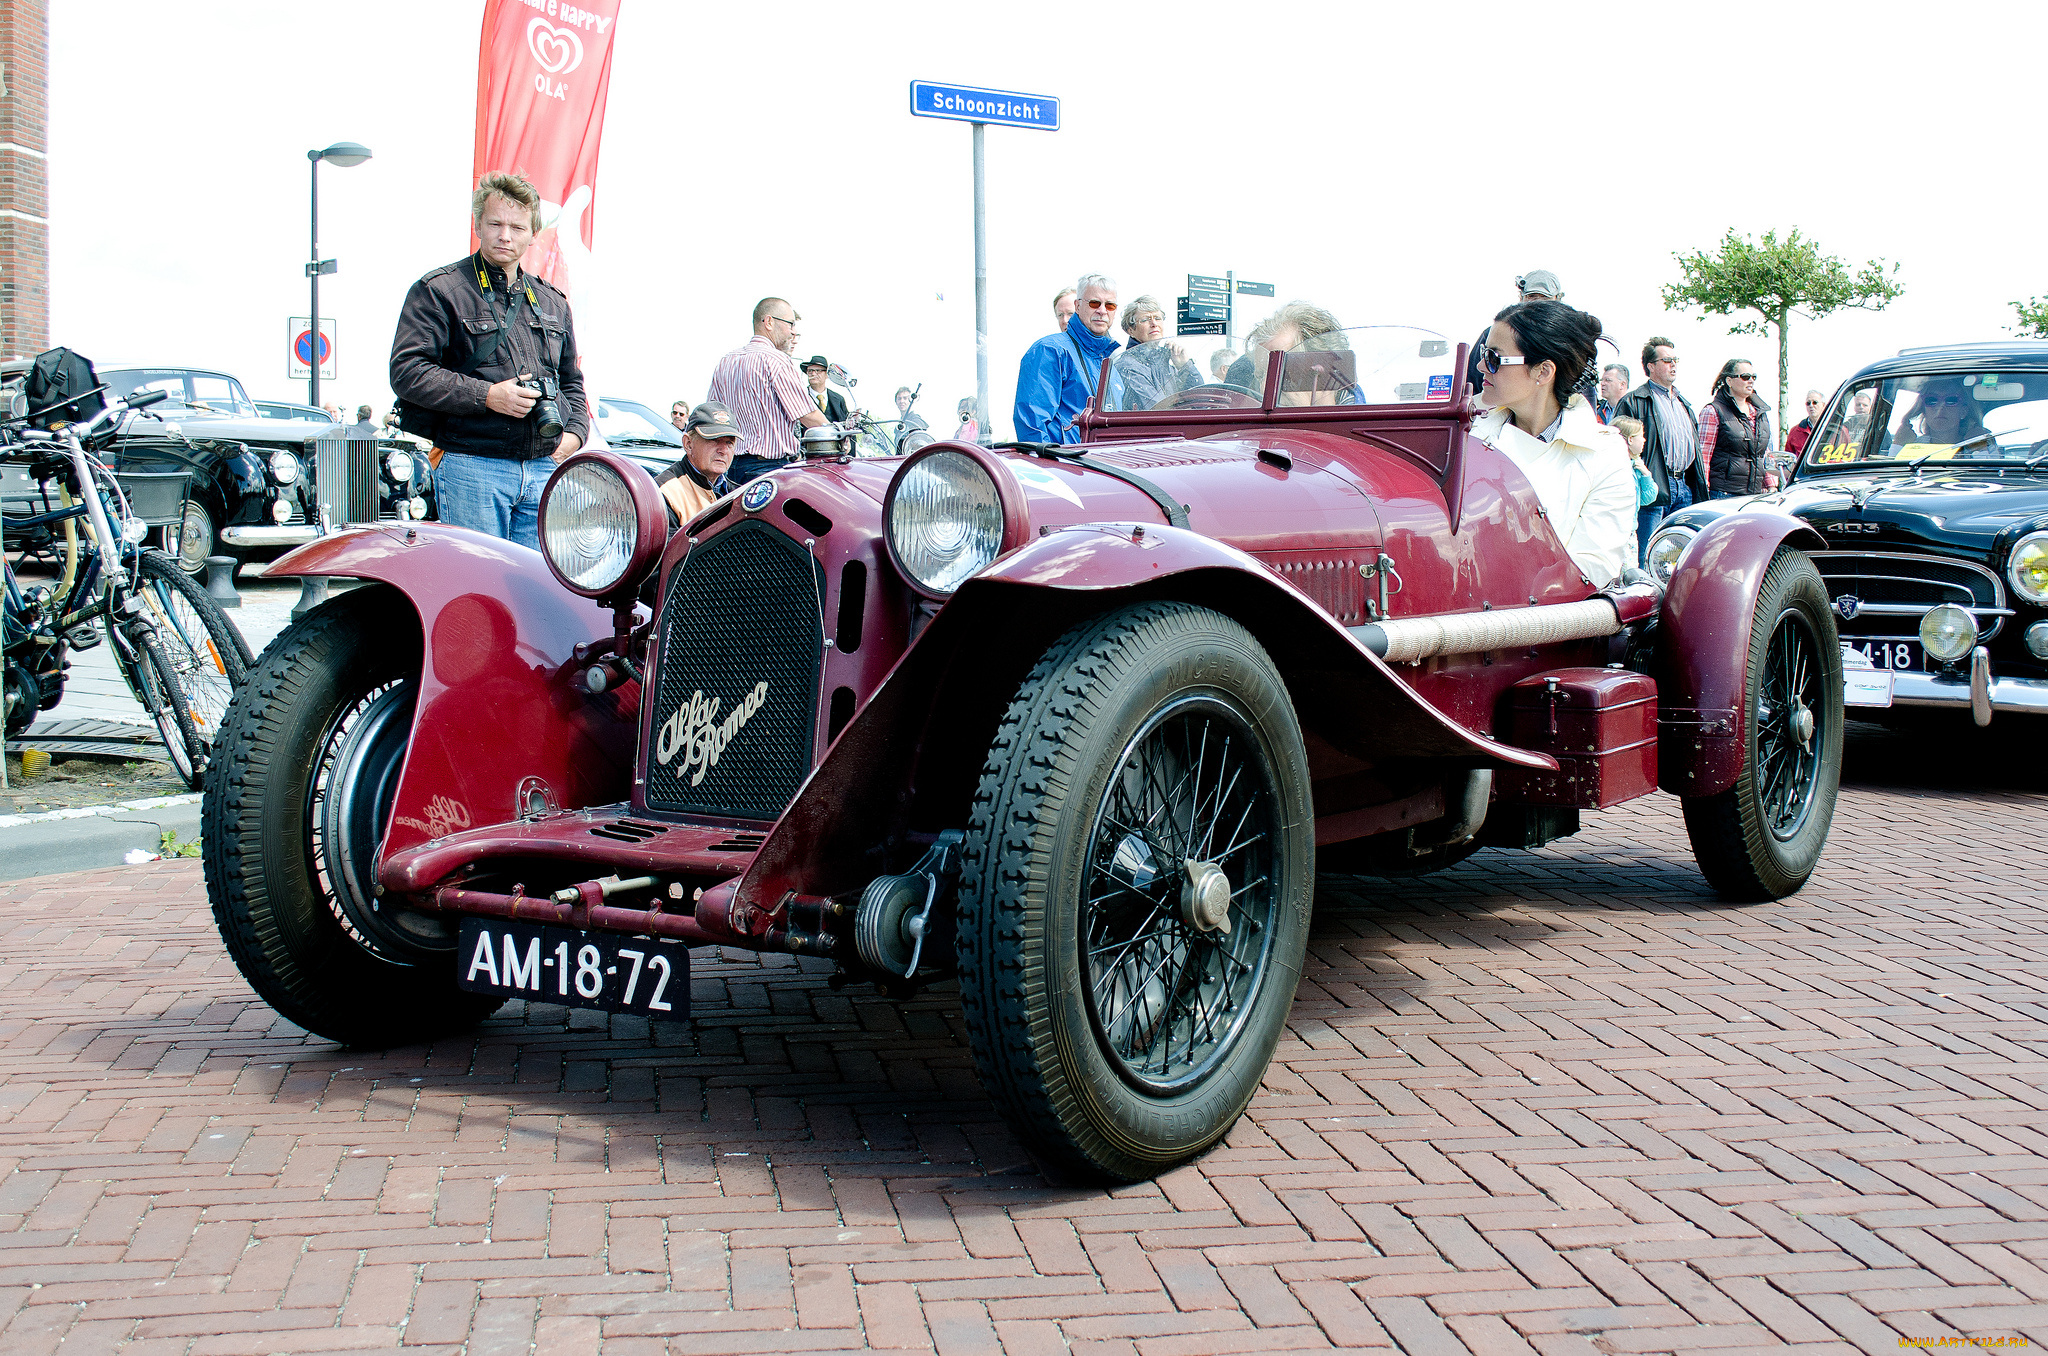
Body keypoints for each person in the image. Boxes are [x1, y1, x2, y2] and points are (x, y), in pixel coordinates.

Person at [389, 171, 589, 549]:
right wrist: (487, 396)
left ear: (533, 234)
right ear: (478, 224)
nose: (506, 235)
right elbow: (407, 371)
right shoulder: (440, 290)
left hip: (544, 467)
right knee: (480, 590)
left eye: (517, 227)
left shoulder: (553, 301)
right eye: (495, 223)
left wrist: (575, 435)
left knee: (539, 592)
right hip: (472, 465)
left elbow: (571, 381)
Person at [1470, 300, 1636, 587]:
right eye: (1485, 354)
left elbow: (1590, 567)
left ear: (1544, 372)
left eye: (1495, 358)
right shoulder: (1464, 428)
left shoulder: (1604, 453)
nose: (1480, 365)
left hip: (1544, 623)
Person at [707, 297, 830, 485]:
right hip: (769, 470)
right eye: (791, 324)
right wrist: (837, 435)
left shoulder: (726, 361)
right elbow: (808, 415)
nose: (793, 331)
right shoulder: (776, 360)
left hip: (729, 469)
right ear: (769, 322)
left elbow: (713, 416)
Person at [1611, 337, 1707, 529]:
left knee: (1677, 553)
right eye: (1667, 360)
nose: (1673, 365)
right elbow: (1616, 447)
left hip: (1685, 488)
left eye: (1675, 360)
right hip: (1652, 488)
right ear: (1651, 367)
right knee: (1647, 553)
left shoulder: (1684, 405)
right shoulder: (1633, 401)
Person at [1014, 273, 1121, 443]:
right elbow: (1032, 426)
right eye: (1094, 303)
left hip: (1107, 464)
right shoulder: (1050, 350)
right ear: (1078, 306)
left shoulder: (1111, 363)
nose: (1102, 310)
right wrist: (1052, 466)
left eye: (1110, 305)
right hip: (1068, 466)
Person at [1467, 270, 1564, 397]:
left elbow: (1584, 397)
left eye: (1545, 300)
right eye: (1531, 298)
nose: (1537, 306)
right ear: (1521, 298)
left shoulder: (1568, 341)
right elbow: (1471, 384)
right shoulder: (1493, 335)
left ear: (1558, 300)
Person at [655, 402, 742, 523]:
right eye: (714, 440)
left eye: (729, 442)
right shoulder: (665, 492)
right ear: (688, 444)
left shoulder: (739, 494)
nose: (723, 450)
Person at [1699, 359, 1775, 497]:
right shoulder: (1712, 411)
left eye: (1754, 377)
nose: (1750, 381)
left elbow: (1763, 454)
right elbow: (1704, 456)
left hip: (1756, 495)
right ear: (1729, 381)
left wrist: (1772, 486)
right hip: (1723, 494)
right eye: (1745, 377)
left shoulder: (1759, 413)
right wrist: (1704, 490)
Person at [1111, 296, 1202, 410]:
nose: (1154, 323)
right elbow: (1156, 410)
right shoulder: (1127, 367)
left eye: (1158, 318)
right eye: (1145, 320)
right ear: (1131, 330)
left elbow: (1201, 399)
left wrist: (1185, 366)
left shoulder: (1165, 365)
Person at [1611, 415, 1662, 566]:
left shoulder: (1635, 465)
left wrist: (1646, 475)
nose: (1644, 440)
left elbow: (1648, 497)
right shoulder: (1618, 467)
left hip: (1630, 532)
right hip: (1618, 533)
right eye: (1641, 436)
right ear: (1630, 440)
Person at [800, 355, 849, 422]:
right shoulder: (800, 397)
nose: (813, 374)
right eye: (810, 371)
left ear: (827, 374)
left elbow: (846, 426)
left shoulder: (839, 399)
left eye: (818, 371)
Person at [1785, 389, 1825, 458]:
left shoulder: (1837, 430)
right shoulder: (1795, 432)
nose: (1811, 405)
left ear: (1823, 405)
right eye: (1808, 403)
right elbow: (1788, 459)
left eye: (1815, 402)